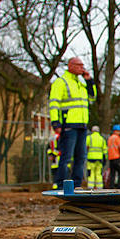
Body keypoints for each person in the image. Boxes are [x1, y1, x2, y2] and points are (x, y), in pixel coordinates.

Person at [48, 56, 96, 188]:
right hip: (68, 124)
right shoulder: (61, 82)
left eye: (82, 65)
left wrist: (89, 81)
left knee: (80, 157)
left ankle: (76, 185)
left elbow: (92, 97)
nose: (82, 68)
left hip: (82, 125)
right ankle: (61, 185)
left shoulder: (80, 84)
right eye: (79, 65)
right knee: (66, 157)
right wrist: (55, 122)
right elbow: (54, 103)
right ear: (70, 66)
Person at [106, 124, 120, 189]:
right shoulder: (117, 138)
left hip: (110, 157)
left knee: (112, 173)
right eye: (119, 131)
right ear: (115, 131)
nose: (119, 132)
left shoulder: (110, 138)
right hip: (116, 157)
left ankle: (111, 186)